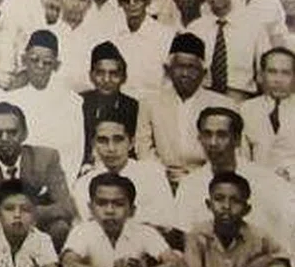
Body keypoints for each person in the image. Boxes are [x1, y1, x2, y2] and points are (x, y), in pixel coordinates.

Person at [174, 107, 295, 253]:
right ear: (199, 138)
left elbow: (286, 230)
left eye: (222, 135)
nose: (213, 142)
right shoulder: (189, 184)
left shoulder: (267, 181)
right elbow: (185, 235)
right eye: (207, 134)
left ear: (237, 140)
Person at [135, 32, 236, 188]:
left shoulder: (223, 104)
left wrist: (195, 178)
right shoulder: (150, 103)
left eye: (192, 68)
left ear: (203, 72)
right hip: (162, 182)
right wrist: (162, 175)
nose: (185, 74)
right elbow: (143, 148)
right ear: (168, 70)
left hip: (208, 182)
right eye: (179, 67)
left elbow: (229, 154)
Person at [0, 102, 75, 249]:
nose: (5, 139)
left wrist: (26, 213)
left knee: (60, 227)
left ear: (24, 133)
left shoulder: (46, 158)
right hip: (5, 235)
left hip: (40, 229)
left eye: (12, 132)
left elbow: (66, 207)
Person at [72, 115, 176, 231]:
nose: (111, 148)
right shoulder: (83, 184)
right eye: (103, 141)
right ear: (94, 144)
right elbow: (82, 228)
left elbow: (166, 222)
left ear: (131, 143)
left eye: (118, 140)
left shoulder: (152, 174)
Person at [8, 29, 86, 180]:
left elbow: (74, 152)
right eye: (34, 60)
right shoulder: (10, 100)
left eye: (47, 62)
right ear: (24, 60)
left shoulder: (72, 102)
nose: (40, 66)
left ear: (56, 65)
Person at [189, 0, 263, 100]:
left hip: (242, 100)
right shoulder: (195, 29)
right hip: (204, 100)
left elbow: (263, 73)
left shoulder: (254, 26)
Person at [111, 0, 177, 98]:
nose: (132, 4)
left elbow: (172, 83)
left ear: (148, 1)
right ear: (119, 2)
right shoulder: (112, 36)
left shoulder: (166, 36)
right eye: (126, 0)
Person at [80, 41, 139, 168]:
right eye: (100, 73)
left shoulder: (133, 107)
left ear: (124, 77)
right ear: (91, 76)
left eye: (114, 74)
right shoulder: (79, 103)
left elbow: (134, 150)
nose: (106, 80)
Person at [242, 48, 295, 179]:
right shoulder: (246, 109)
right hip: (257, 186)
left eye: (286, 73)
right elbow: (242, 157)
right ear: (261, 75)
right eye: (272, 72)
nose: (278, 79)